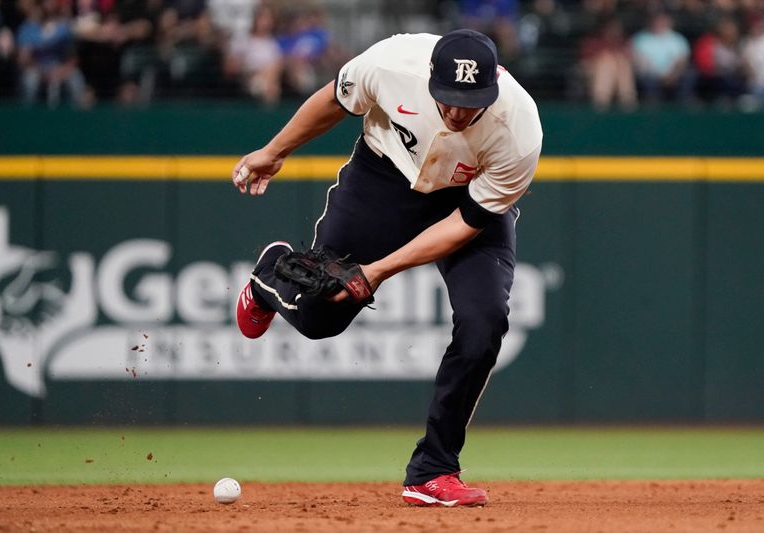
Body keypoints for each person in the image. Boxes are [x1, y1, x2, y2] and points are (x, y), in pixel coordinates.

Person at [231, 29, 542, 507]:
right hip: (384, 177)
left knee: (484, 321)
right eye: (449, 99)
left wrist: (376, 271)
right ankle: (271, 273)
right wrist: (274, 151)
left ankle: (433, 471)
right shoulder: (393, 63)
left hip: (466, 199)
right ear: (430, 78)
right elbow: (335, 99)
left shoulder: (519, 129)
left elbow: (464, 226)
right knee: (319, 318)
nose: (458, 111)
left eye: (471, 101)